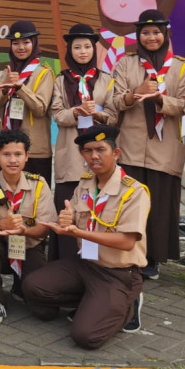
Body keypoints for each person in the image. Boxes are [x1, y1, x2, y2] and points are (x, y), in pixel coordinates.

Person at [22, 125, 149, 350]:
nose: (94, 156)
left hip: (117, 273)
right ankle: (93, 301)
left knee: (86, 336)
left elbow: (127, 242)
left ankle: (129, 303)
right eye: (88, 151)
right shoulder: (86, 183)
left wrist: (78, 232)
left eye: (101, 150)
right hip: (86, 265)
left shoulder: (133, 192)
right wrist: (66, 219)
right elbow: (72, 217)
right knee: (33, 286)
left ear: (116, 153)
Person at [113, 10, 185, 279]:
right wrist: (135, 93)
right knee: (131, 204)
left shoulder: (181, 67)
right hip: (131, 145)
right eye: (145, 33)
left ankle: (153, 258)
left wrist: (160, 100)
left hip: (164, 146)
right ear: (138, 36)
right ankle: (129, 254)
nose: (151, 37)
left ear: (165, 34)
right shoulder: (126, 63)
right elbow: (115, 100)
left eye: (156, 32)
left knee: (159, 205)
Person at [50, 23, 117, 260]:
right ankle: (66, 260)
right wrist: (76, 112)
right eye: (77, 47)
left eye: (87, 47)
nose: (82, 52)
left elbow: (114, 115)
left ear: (94, 49)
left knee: (95, 208)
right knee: (67, 207)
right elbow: (57, 114)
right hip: (70, 154)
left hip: (98, 154)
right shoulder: (61, 80)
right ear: (70, 50)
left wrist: (97, 114)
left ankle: (94, 260)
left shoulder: (106, 79)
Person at [0, 130, 56, 324]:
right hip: (0, 248)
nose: (13, 160)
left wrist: (24, 231)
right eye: (6, 154)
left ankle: (21, 287)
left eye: (18, 154)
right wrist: (0, 225)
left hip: (28, 246)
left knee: (45, 311)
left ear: (27, 156)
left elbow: (44, 227)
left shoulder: (39, 185)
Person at [0, 21, 54, 184]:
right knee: (7, 193)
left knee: (36, 194)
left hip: (35, 149)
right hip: (7, 147)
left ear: (34, 43)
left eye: (26, 42)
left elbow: (40, 108)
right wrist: (5, 87)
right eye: (15, 43)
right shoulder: (6, 72)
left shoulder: (44, 73)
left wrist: (20, 88)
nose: (21, 47)